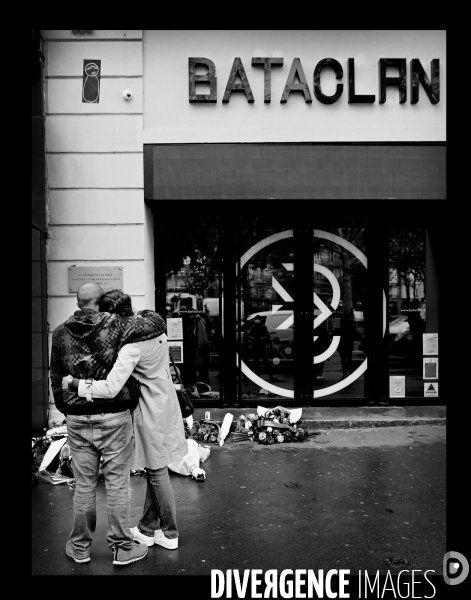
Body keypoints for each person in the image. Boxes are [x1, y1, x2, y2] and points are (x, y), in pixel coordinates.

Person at [50, 282, 165, 566]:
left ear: (78, 302)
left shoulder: (60, 332)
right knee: (117, 485)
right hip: (114, 415)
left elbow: (55, 376)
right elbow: (157, 324)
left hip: (77, 418)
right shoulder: (118, 326)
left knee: (84, 485)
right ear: (101, 301)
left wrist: (67, 408)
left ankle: (79, 548)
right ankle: (122, 548)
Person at [63, 289, 188, 553]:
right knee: (159, 466)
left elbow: (110, 387)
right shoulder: (152, 326)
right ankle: (146, 528)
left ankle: (170, 532)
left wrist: (76, 385)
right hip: (166, 402)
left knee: (157, 472)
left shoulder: (132, 345)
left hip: (150, 409)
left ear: (111, 315)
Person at [247, 315, 277, 381]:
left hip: (258, 346)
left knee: (260, 362)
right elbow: (249, 335)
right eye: (256, 319)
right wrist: (259, 338)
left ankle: (263, 376)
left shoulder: (257, 327)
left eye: (258, 319)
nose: (257, 320)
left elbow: (267, 335)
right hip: (259, 346)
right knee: (261, 362)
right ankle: (269, 376)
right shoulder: (256, 327)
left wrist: (260, 338)